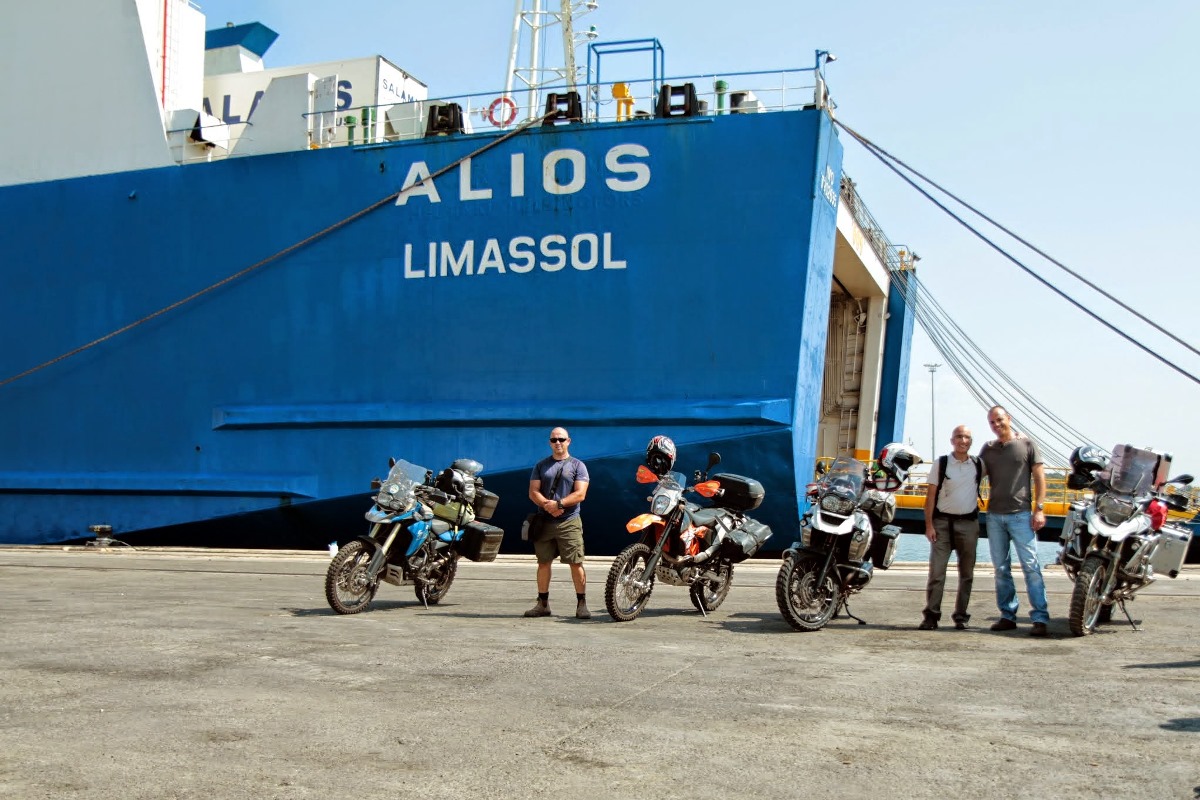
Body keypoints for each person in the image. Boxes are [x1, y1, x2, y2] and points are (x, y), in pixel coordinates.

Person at [979, 405, 1050, 637]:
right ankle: (1008, 615)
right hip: (994, 516)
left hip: (1021, 515)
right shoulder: (988, 450)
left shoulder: (1027, 445)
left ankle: (1039, 617)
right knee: (1001, 569)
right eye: (992, 422)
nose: (996, 425)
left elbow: (1040, 478)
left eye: (1000, 420)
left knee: (1031, 567)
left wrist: (1039, 509)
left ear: (1008, 419)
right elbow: (973, 473)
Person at [524, 427, 591, 619]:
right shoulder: (541, 465)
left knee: (576, 563)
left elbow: (581, 493)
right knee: (543, 563)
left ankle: (582, 604)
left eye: (561, 439)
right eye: (554, 440)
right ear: (549, 442)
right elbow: (533, 491)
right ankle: (542, 604)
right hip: (545, 521)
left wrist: (559, 504)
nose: (558, 443)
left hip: (569, 521)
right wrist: (548, 506)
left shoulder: (578, 466)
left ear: (569, 441)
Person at [919, 425, 982, 631]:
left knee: (967, 574)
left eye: (967, 437)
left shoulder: (978, 464)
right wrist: (929, 525)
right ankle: (931, 616)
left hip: (969, 523)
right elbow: (930, 496)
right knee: (937, 572)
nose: (963, 440)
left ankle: (961, 616)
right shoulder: (942, 463)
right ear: (952, 440)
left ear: (971, 442)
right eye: (959, 437)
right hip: (942, 523)